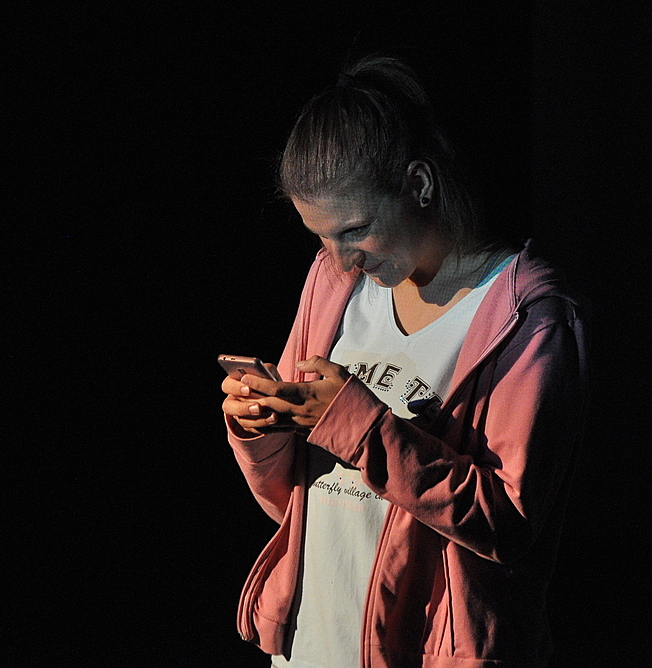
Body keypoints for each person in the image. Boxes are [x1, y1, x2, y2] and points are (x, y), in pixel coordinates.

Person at [220, 54, 589, 668]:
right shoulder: (333, 285)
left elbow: (508, 524)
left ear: (419, 185)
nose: (340, 259)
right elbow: (293, 499)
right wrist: (263, 426)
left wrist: (359, 425)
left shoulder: (525, 315)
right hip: (311, 645)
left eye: (354, 231)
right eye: (321, 238)